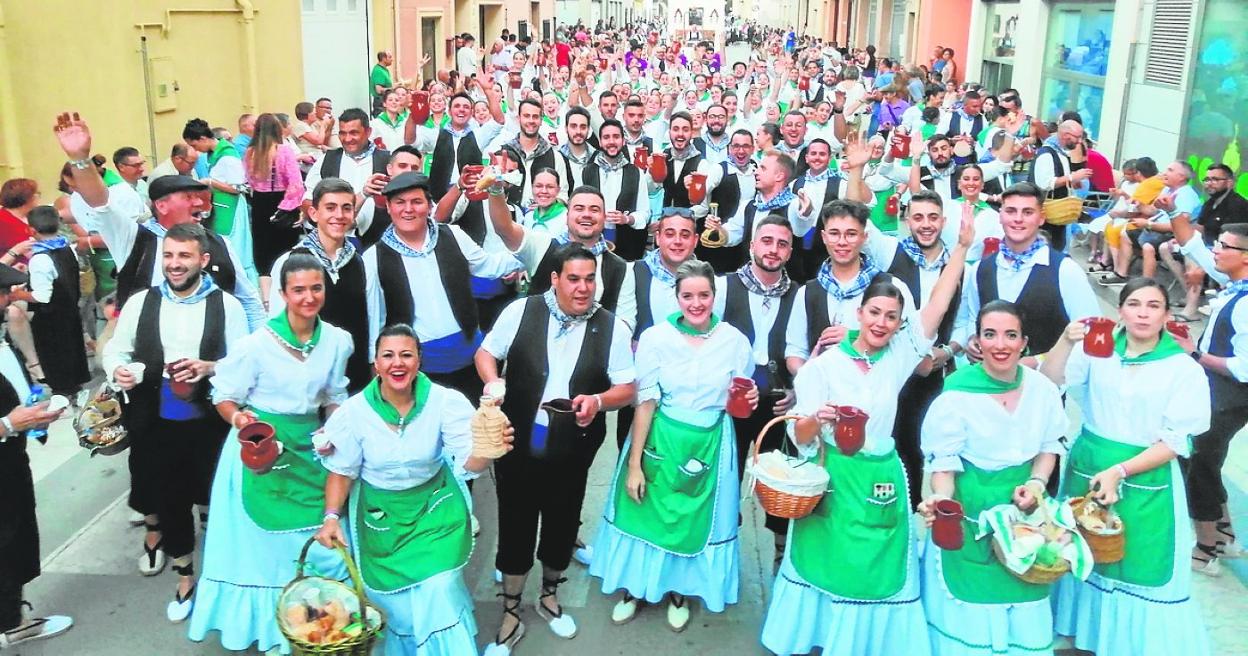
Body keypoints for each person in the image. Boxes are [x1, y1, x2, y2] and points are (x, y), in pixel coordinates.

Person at [759, 211, 971, 656]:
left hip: (881, 476)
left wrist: (964, 249)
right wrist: (822, 417)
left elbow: (935, 307)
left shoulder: (896, 359)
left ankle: (867, 644)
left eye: (892, 317)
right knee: (829, 564)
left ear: (899, 323)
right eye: (874, 312)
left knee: (877, 565)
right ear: (859, 313)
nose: (881, 323)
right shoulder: (822, 368)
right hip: (834, 476)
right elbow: (800, 435)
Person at [188, 253, 353, 653]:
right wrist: (241, 421)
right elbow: (224, 396)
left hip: (310, 448)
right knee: (265, 548)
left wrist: (333, 429)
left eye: (316, 288)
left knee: (327, 538)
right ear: (282, 294)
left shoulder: (336, 340)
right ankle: (280, 625)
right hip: (260, 449)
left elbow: (333, 395)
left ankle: (321, 623)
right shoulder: (255, 346)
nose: (308, 297)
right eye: (298, 290)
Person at [476, 244, 636, 654]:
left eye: (589, 279)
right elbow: (486, 353)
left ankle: (549, 595)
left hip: (574, 444)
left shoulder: (610, 326)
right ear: (555, 279)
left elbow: (626, 387)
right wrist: (494, 384)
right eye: (574, 279)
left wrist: (598, 401)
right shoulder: (522, 311)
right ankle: (511, 611)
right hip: (519, 440)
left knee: (563, 520)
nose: (583, 288)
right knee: (515, 522)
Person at [315, 323, 512, 655]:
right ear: (375, 363)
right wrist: (332, 517)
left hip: (434, 510)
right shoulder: (354, 413)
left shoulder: (444, 401)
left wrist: (488, 449)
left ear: (419, 360)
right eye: (388, 355)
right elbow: (341, 472)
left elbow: (469, 463)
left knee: (439, 587)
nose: (398, 363)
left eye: (406, 354)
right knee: (397, 601)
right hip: (381, 517)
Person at [1041, 278, 1213, 656]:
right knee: (1087, 557)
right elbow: (1050, 381)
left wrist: (1120, 471)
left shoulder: (1182, 369)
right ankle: (1084, 637)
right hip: (1088, 467)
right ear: (1119, 311)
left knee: (1138, 563)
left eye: (1154, 306)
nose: (1143, 313)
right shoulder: (1097, 351)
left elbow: (1176, 441)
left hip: (1146, 475)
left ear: (1167, 316)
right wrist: (1066, 342)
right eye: (1134, 304)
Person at [590, 260, 757, 631]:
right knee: (645, 512)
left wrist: (751, 398)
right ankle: (634, 588)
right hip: (661, 438)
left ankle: (680, 589)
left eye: (704, 295)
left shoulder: (734, 341)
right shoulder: (655, 339)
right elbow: (645, 402)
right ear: (676, 297)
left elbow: (739, 399)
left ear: (715, 295)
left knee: (691, 520)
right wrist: (634, 464)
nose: (696, 303)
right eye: (687, 296)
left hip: (710, 441)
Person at [103, 222, 249, 621]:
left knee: (215, 498)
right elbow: (115, 349)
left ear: (203, 260)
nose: (174, 264)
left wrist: (210, 367)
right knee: (169, 499)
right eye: (169, 255)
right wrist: (119, 371)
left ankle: (222, 575)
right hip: (154, 421)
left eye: (184, 256)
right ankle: (185, 577)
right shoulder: (141, 303)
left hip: (209, 425)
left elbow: (242, 364)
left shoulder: (227, 306)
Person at [917, 300, 1065, 655]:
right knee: (971, 592)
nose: (1000, 344)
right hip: (971, 505)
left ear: (1024, 342)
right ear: (977, 342)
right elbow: (945, 460)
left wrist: (1036, 484)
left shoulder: (1041, 389)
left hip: (1023, 512)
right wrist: (942, 498)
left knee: (1025, 588)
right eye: (990, 335)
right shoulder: (957, 391)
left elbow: (1049, 445)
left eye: (1010, 335)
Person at [363, 172, 522, 403]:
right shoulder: (374, 258)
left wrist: (533, 252)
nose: (408, 209)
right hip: (420, 368)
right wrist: (377, 374)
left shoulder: (452, 235)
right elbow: (374, 319)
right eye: (400, 203)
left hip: (469, 358)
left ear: (429, 206)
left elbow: (489, 265)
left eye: (416, 202)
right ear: (388, 207)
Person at [1167, 213, 1248, 573]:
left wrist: (1194, 353)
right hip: (1218, 395)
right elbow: (1194, 246)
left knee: (1197, 463)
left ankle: (1206, 548)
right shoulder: (1234, 285)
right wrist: (1173, 214)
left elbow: (1243, 367)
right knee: (1208, 462)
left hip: (1228, 398)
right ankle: (1226, 535)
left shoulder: (1245, 303)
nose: (1216, 250)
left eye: (1224, 246)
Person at [715, 214, 799, 559]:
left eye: (782, 244)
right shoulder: (723, 287)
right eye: (767, 241)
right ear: (751, 245)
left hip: (780, 405)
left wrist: (799, 392)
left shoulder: (801, 294)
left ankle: (782, 555)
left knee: (781, 483)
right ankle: (720, 552)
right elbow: (709, 342)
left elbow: (807, 351)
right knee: (724, 480)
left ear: (790, 251)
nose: (773, 249)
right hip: (733, 403)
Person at [954, 183, 1099, 369]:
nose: (1018, 219)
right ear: (1000, 216)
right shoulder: (981, 269)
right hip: (988, 388)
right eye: (1011, 211)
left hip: (1044, 388)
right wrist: (972, 340)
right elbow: (971, 317)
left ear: (1041, 218)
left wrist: (1038, 361)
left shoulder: (1065, 271)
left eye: (1028, 212)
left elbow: (1091, 334)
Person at [270, 179, 371, 393]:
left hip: (354, 377)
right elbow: (277, 328)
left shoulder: (361, 262)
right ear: (314, 214)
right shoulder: (291, 262)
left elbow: (373, 319)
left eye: (346, 208)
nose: (339, 215)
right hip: (308, 380)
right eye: (330, 208)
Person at [23, 206, 89, 401]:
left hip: (49, 317)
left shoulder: (40, 258)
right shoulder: (67, 248)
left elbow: (42, 295)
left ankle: (62, 391)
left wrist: (17, 294)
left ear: (32, 231)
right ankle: (76, 386)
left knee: (54, 354)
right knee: (72, 348)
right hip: (70, 309)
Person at [244, 113, 306, 301]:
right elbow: (296, 185)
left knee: (263, 254)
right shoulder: (284, 151)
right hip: (281, 201)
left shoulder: (250, 153)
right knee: (285, 251)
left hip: (260, 203)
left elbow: (249, 181)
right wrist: (287, 208)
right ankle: (287, 296)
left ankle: (267, 301)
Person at [580, 119, 650, 261]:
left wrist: (627, 219)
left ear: (623, 141)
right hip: (592, 241)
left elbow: (645, 212)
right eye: (606, 137)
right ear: (600, 142)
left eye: (616, 137)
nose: (611, 141)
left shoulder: (636, 172)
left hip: (627, 243)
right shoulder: (587, 171)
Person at [303, 108, 392, 214]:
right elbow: (308, 199)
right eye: (343, 133)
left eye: (353, 133)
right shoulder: (327, 160)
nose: (347, 139)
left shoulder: (386, 160)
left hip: (379, 229)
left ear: (368, 132)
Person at [183, 118, 246, 237]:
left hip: (231, 207)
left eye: (194, 145)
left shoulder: (228, 156)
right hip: (219, 204)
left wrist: (211, 182)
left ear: (202, 139)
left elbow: (238, 188)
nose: (195, 150)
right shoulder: (212, 155)